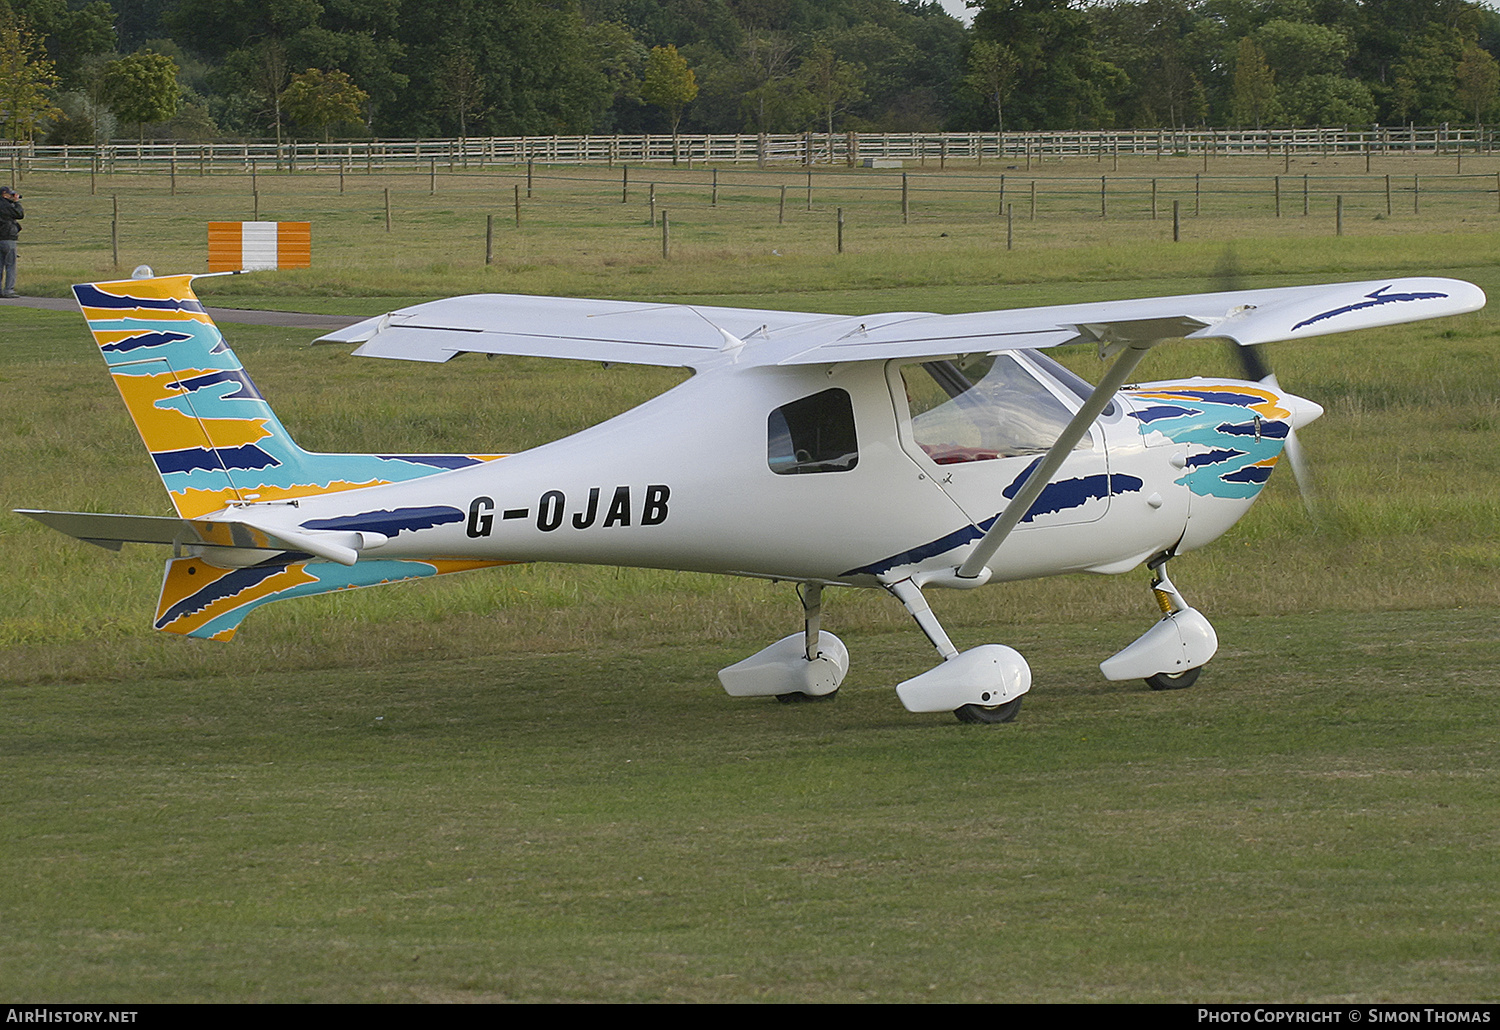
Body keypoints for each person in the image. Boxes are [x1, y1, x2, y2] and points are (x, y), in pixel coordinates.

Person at [0, 186, 23, 297]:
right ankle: (8, 290)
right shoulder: (6, 206)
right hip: (7, 237)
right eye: (10, 194)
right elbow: (19, 214)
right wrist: (16, 202)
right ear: (4, 195)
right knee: (10, 265)